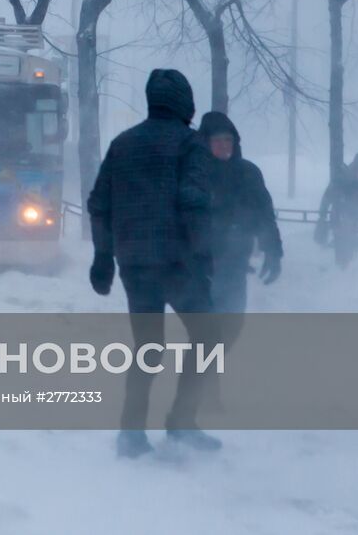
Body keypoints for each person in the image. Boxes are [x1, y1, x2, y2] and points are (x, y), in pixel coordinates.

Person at [87, 68, 217, 458]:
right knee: (208, 338)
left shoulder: (122, 144)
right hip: (178, 263)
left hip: (134, 264)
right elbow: (193, 201)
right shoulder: (189, 144)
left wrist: (102, 257)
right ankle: (180, 421)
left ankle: (131, 435)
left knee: (147, 348)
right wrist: (204, 252)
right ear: (184, 103)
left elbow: (99, 203)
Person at [199, 112, 283, 323]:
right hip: (200, 265)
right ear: (205, 142)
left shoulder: (248, 173)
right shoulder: (194, 173)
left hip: (235, 262)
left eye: (228, 139)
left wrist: (273, 251)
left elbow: (265, 215)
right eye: (217, 140)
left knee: (231, 324)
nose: (224, 145)